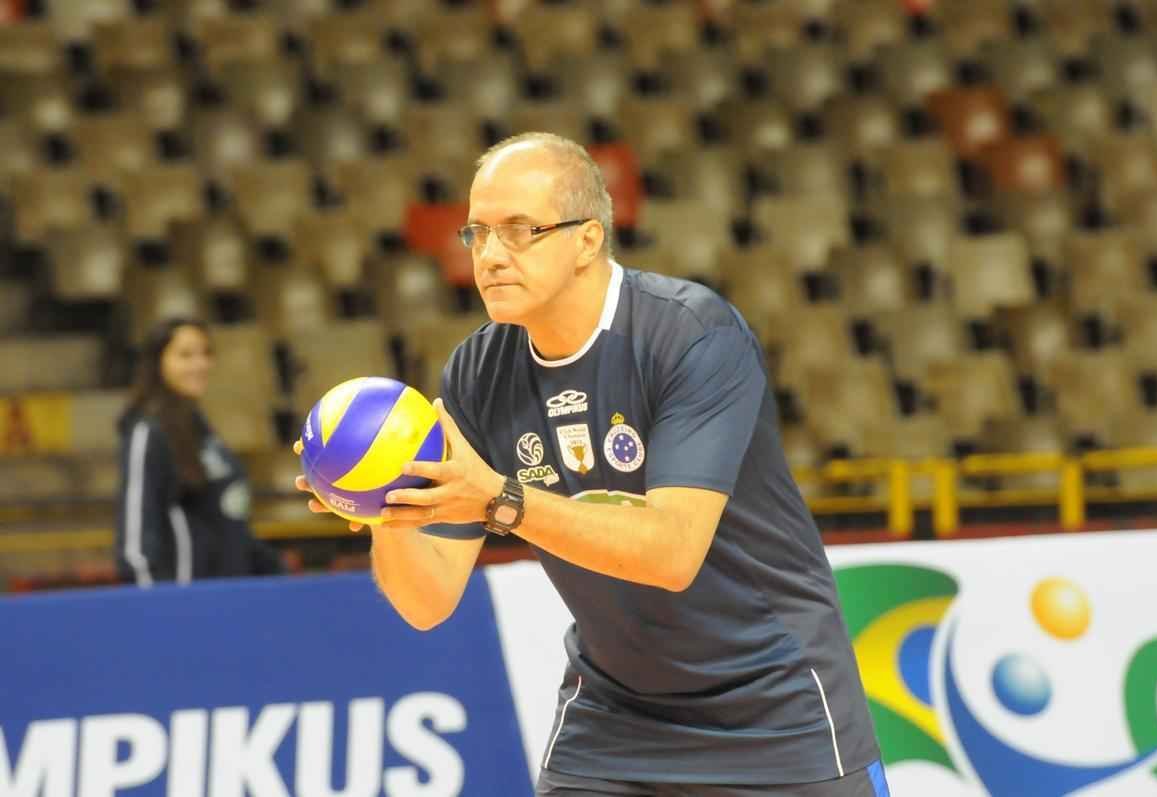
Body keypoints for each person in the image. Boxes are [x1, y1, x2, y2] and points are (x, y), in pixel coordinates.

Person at [296, 133, 890, 796]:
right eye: (478, 232)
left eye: (520, 230)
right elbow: (428, 601)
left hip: (774, 708)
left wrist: (499, 498)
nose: (490, 256)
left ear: (587, 239)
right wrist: (387, 504)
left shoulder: (691, 334)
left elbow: (671, 552)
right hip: (616, 716)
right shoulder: (476, 371)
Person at [116, 317, 282, 586]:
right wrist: (160, 607)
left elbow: (224, 522)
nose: (200, 364)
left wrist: (273, 569)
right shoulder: (147, 432)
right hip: (190, 602)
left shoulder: (200, 428)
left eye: (205, 353)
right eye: (185, 355)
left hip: (229, 596)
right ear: (157, 362)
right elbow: (136, 540)